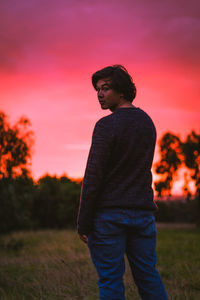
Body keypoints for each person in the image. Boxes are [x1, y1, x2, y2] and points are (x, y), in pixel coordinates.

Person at [77, 65, 168, 300]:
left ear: (122, 91)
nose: (99, 94)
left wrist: (83, 222)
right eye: (97, 89)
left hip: (109, 217)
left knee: (110, 281)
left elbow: (94, 176)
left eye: (105, 88)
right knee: (148, 277)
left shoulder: (106, 125)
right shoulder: (147, 122)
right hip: (142, 215)